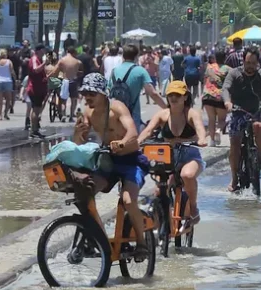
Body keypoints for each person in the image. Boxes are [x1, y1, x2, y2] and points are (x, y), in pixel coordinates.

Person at [73, 73, 150, 261]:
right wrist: (77, 134)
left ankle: (142, 243)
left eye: (92, 93)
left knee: (128, 201)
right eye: (85, 93)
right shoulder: (88, 112)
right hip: (108, 161)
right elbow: (79, 143)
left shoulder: (116, 107)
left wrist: (122, 143)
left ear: (103, 94)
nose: (87, 97)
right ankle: (96, 236)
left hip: (131, 160)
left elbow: (132, 131)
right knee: (84, 194)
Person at [139, 81, 207, 230]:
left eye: (177, 95)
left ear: (185, 97)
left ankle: (193, 207)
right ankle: (161, 222)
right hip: (169, 156)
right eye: (170, 95)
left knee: (187, 175)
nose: (173, 98)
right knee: (159, 190)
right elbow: (148, 130)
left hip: (190, 155)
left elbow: (200, 128)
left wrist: (201, 139)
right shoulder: (163, 114)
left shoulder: (191, 113)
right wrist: (137, 141)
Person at [222, 48, 261, 192]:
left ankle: (259, 157)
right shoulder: (234, 73)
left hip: (255, 111)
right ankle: (234, 178)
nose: (250, 66)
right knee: (234, 144)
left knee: (259, 126)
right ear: (243, 61)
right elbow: (225, 89)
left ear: (257, 63)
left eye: (253, 63)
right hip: (237, 111)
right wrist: (227, 102)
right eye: (248, 63)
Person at [108, 44, 166, 131]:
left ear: (123, 55)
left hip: (115, 118)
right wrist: (167, 108)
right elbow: (153, 93)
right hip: (133, 118)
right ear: (136, 56)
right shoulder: (140, 71)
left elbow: (109, 92)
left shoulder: (114, 71)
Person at [202, 51, 230, 146]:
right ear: (225, 58)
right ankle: (218, 130)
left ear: (215, 58)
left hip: (207, 95)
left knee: (211, 119)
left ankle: (212, 141)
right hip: (220, 96)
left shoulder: (209, 67)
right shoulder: (228, 69)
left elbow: (205, 80)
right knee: (222, 120)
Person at [48, 47, 82, 122]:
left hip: (65, 81)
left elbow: (54, 71)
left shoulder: (62, 60)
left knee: (63, 100)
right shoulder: (77, 62)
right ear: (74, 53)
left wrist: (48, 76)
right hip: (73, 81)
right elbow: (80, 72)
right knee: (73, 100)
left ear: (67, 51)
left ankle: (63, 114)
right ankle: (71, 116)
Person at [27, 44, 49, 138]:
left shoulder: (37, 59)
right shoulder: (34, 59)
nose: (44, 52)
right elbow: (36, 70)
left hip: (38, 87)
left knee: (35, 108)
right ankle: (34, 130)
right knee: (36, 109)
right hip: (35, 88)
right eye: (43, 50)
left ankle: (34, 128)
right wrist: (44, 63)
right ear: (39, 50)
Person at [0, 48, 16, 120]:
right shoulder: (9, 62)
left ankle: (0, 115)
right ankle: (5, 113)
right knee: (8, 99)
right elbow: (12, 72)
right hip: (8, 81)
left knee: (0, 100)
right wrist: (15, 78)